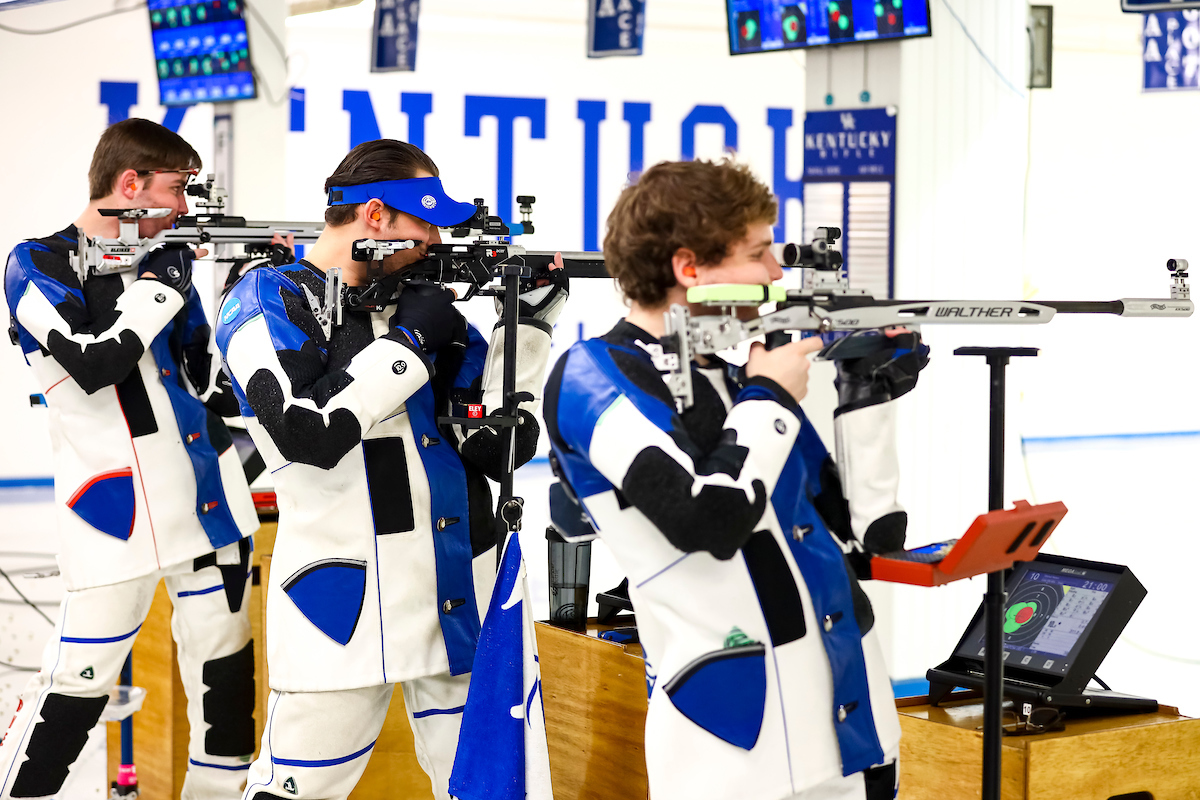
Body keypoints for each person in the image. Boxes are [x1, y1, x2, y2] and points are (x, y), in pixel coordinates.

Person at [542, 159, 926, 800]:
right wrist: (772, 398)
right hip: (733, 743)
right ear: (689, 269)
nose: (778, 272)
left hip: (848, 723)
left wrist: (868, 395)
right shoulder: (590, 378)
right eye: (759, 252)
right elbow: (705, 520)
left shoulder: (732, 382)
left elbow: (867, 539)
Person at [215, 138, 567, 800]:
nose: (435, 242)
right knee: (295, 791)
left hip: (460, 589)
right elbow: (304, 432)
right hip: (343, 602)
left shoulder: (415, 303)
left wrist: (530, 326)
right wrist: (405, 345)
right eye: (425, 224)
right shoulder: (266, 299)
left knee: (498, 788)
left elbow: (494, 449)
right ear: (374, 215)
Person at [2, 118, 260, 798]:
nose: (183, 210)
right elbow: (93, 364)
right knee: (71, 700)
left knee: (226, 710)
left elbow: (213, 388)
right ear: (129, 184)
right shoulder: (39, 262)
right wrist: (160, 287)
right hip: (113, 519)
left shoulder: (158, 269)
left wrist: (247, 291)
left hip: (210, 511)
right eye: (177, 190)